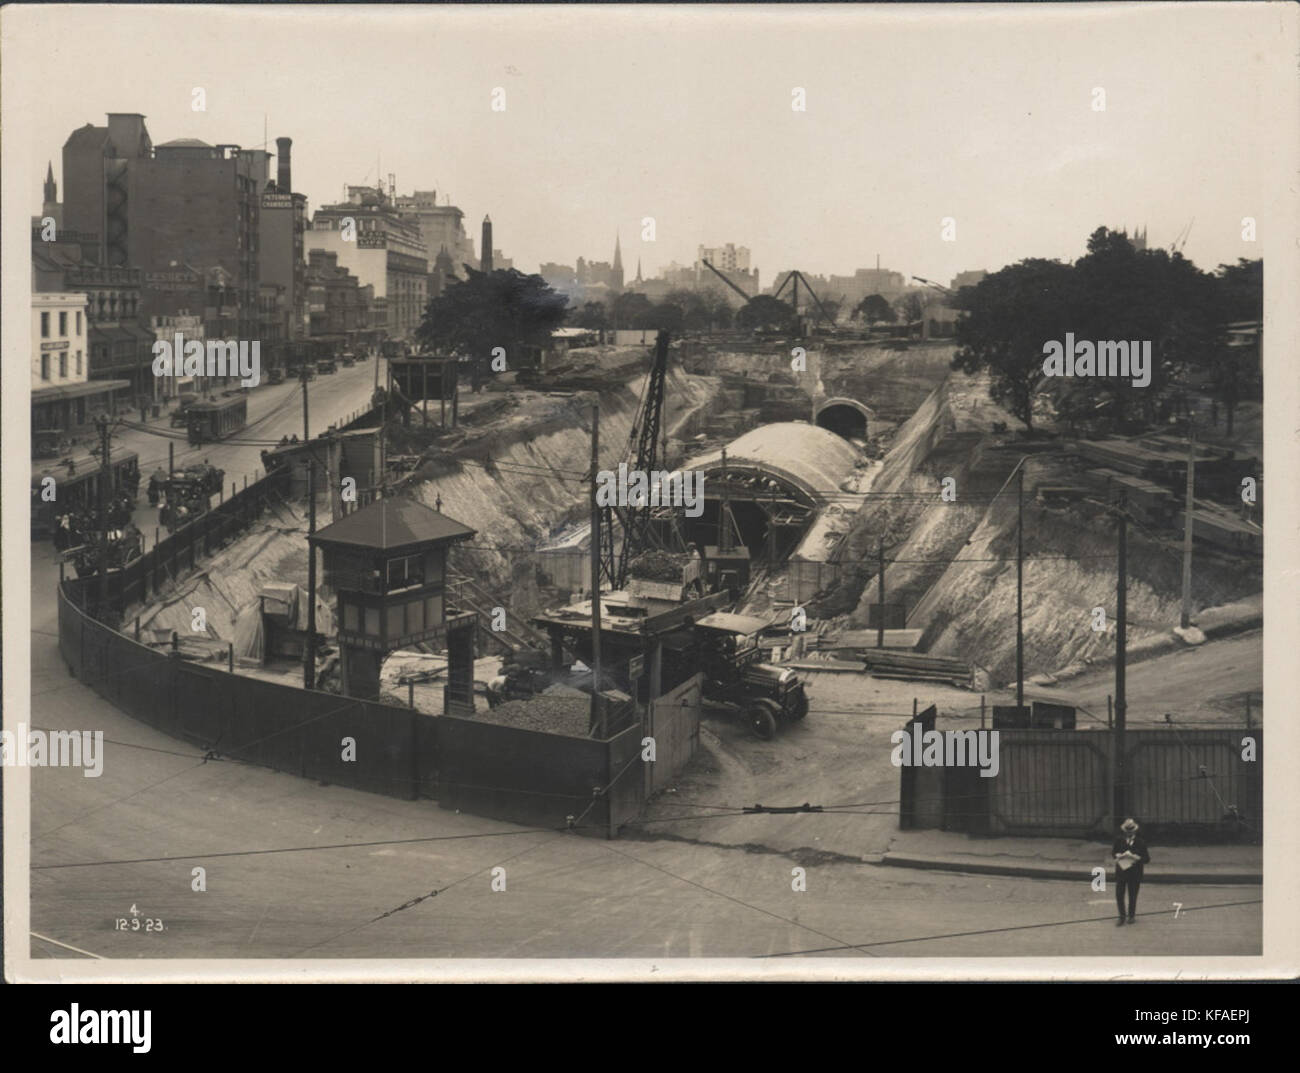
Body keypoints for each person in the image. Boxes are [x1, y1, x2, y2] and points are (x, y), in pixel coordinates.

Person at [1112, 817, 1151, 925]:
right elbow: (1113, 853)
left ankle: (1131, 916)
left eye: (1131, 831)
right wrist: (1118, 855)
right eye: (1127, 831)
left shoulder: (1140, 842)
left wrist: (1137, 858)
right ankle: (1121, 916)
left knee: (1132, 895)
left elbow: (1147, 859)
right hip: (1122, 871)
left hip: (1135, 873)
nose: (1128, 834)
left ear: (1134, 831)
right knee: (1119, 895)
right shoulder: (1119, 840)